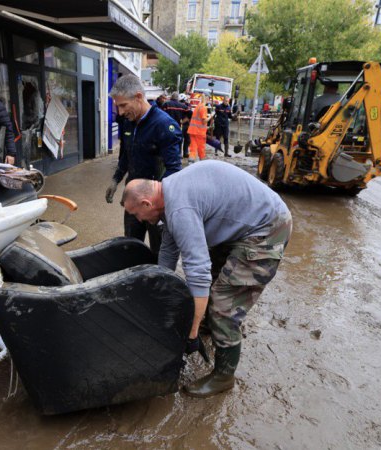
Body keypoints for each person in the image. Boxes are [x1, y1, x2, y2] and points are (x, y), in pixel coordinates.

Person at [121, 160, 292, 398]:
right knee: (213, 283)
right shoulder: (169, 195)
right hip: (242, 222)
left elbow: (197, 272)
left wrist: (191, 333)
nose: (137, 220)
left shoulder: (180, 209)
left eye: (135, 214)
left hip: (266, 228)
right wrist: (158, 296)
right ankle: (208, 325)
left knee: (223, 303)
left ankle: (224, 376)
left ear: (146, 203)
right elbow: (168, 253)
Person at [105, 74, 183, 259]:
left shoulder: (164, 125)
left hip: (155, 203)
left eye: (123, 105)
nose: (121, 112)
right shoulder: (128, 123)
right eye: (118, 106)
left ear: (139, 97)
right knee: (131, 247)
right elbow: (126, 154)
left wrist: (158, 202)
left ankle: (156, 284)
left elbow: (174, 170)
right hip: (133, 198)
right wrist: (116, 179)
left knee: (159, 251)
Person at [188, 94, 208, 162]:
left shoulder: (198, 106)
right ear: (207, 99)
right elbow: (204, 121)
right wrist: (211, 117)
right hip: (199, 132)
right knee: (201, 148)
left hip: (192, 130)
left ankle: (191, 160)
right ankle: (202, 162)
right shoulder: (203, 107)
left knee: (193, 147)